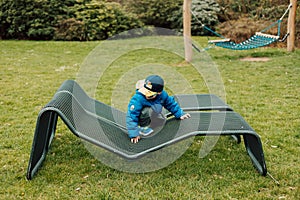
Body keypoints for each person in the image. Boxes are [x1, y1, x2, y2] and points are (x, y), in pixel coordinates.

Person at [126, 75, 191, 143]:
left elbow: (170, 104)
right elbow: (131, 115)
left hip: (155, 113)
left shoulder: (162, 95)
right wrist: (133, 134)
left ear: (159, 93)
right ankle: (142, 128)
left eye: (150, 94)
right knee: (147, 111)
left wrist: (179, 113)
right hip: (141, 118)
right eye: (145, 91)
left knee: (162, 119)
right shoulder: (138, 98)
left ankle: (153, 122)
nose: (146, 95)